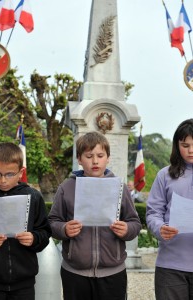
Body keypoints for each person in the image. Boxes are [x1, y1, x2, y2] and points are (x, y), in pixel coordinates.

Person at [48, 131, 141, 300]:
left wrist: (126, 229)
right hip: (75, 272)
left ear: (108, 157)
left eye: (100, 155)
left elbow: (135, 222)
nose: (95, 161)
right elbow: (52, 222)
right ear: (79, 159)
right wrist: (64, 229)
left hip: (113, 272)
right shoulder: (66, 187)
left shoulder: (120, 187)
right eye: (89, 156)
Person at [0, 142, 51, 300]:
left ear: (21, 173)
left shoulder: (33, 196)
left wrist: (34, 238)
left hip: (24, 282)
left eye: (9, 174)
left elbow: (45, 232)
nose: (3, 180)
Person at [146, 118, 193, 300]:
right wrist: (160, 228)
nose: (191, 150)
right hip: (170, 266)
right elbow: (153, 212)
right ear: (176, 145)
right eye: (185, 145)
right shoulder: (164, 175)